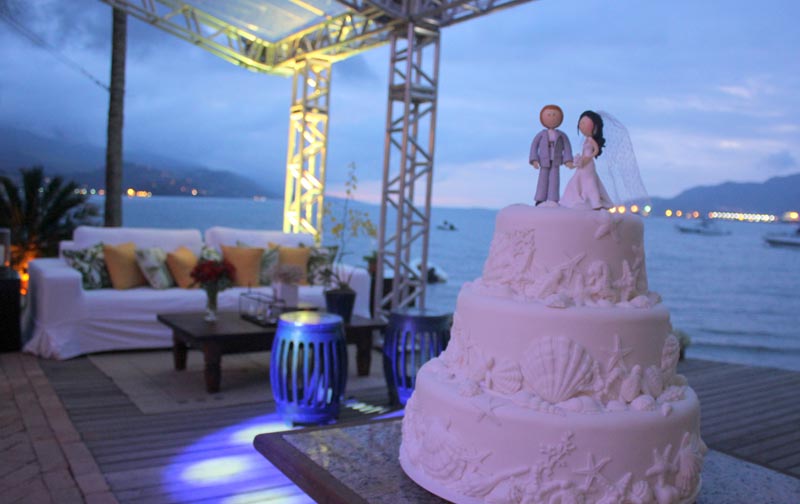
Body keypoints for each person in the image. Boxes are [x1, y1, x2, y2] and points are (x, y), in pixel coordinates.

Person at [560, 110, 614, 210]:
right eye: (581, 123)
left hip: (588, 163)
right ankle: (573, 199)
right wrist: (581, 160)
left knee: (589, 181)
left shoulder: (590, 140)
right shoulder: (586, 140)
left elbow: (596, 150)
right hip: (584, 162)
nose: (581, 125)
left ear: (595, 127)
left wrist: (590, 157)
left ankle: (595, 202)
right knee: (578, 178)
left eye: (584, 123)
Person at [529, 104, 574, 205]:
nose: (552, 117)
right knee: (542, 179)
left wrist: (568, 160)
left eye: (554, 115)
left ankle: (553, 199)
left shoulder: (561, 135)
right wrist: (534, 159)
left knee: (554, 179)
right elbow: (534, 146)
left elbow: (567, 147)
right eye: (549, 115)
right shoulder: (541, 134)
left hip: (556, 159)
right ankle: (540, 198)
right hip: (544, 159)